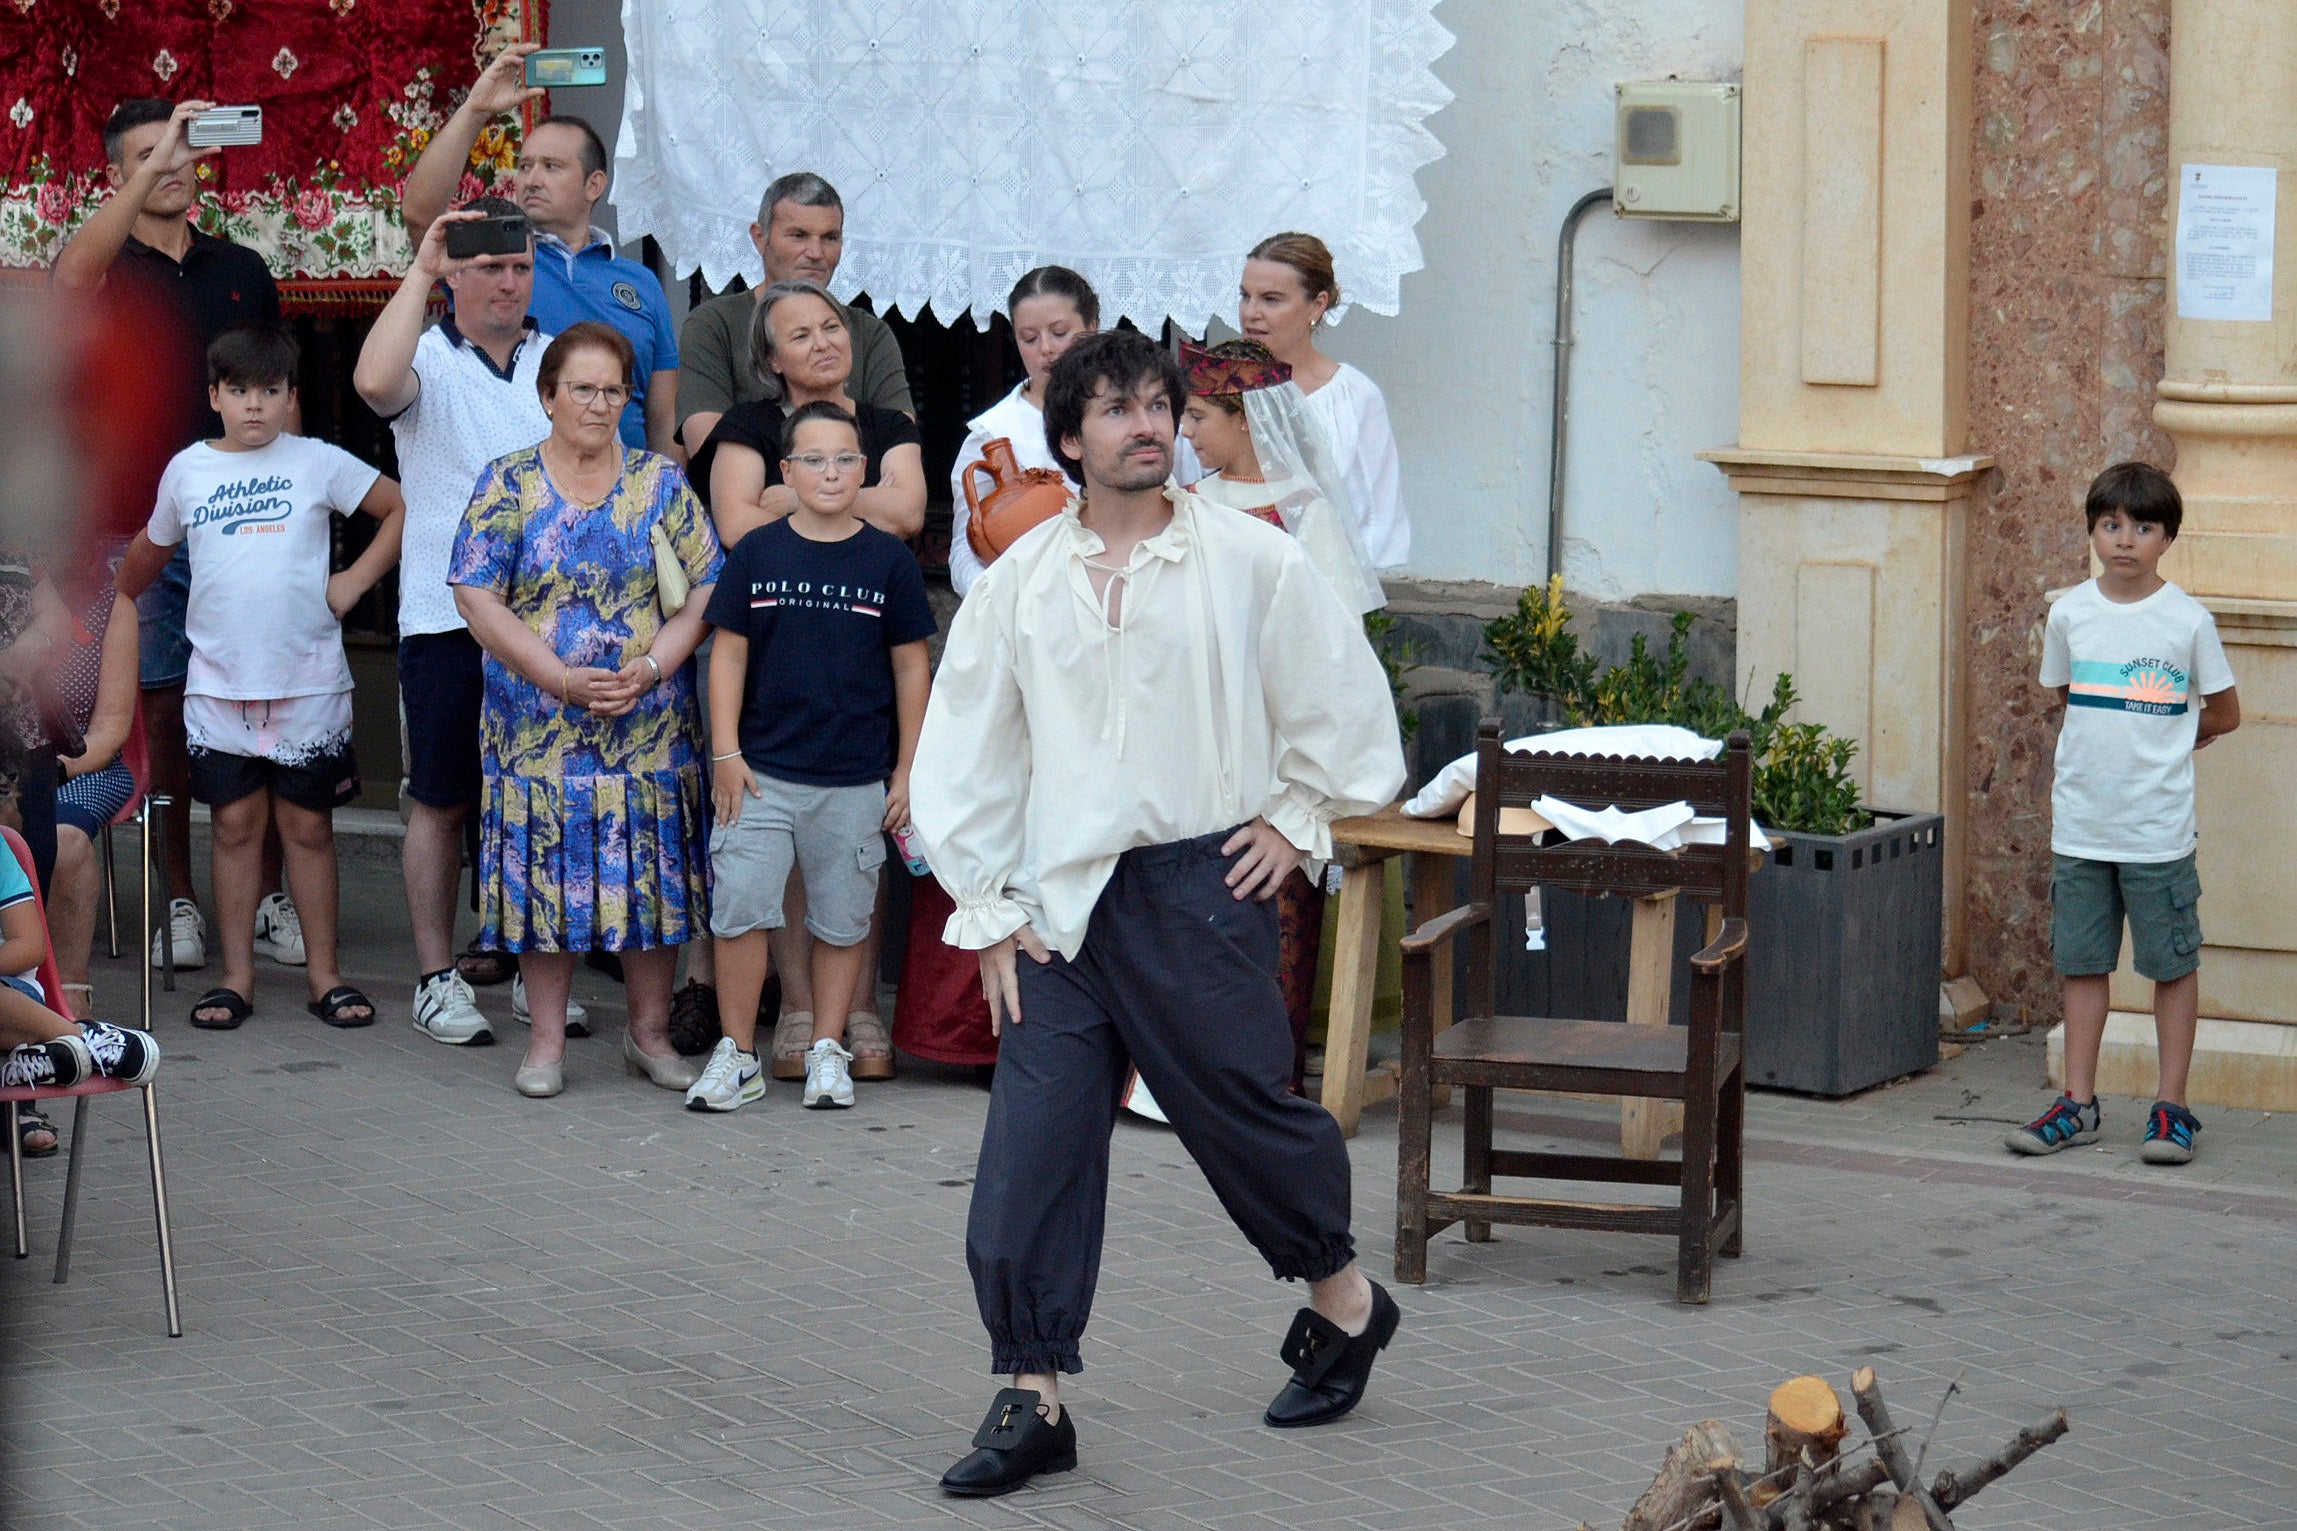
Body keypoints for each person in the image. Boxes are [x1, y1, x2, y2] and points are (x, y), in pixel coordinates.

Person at [912, 330, 1408, 1496]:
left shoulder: (1248, 561)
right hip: (1060, 907)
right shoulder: (1021, 582)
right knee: (1027, 1153)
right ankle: (1031, 1394)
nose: (1145, 423)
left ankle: (1344, 1300)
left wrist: (1297, 819)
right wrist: (984, 905)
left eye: (1158, 405)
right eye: (1116, 408)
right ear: (1068, 436)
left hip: (1197, 886)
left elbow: (1342, 704)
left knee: (1243, 1115)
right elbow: (969, 743)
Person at [448, 322, 721, 1099]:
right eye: (582, 388)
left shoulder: (660, 482)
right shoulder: (506, 483)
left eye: (614, 389)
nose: (599, 404)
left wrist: (653, 665)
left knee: (649, 879)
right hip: (534, 730)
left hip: (648, 723)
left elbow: (708, 583)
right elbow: (475, 594)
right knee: (543, 883)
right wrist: (558, 677)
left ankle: (650, 1034)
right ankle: (543, 1043)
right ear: (547, 396)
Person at [52, 98, 288, 974]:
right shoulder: (106, 268)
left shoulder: (241, 267)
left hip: (244, 524)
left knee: (258, 702)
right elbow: (69, 282)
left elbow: (278, 386)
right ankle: (177, 901)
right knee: (158, 710)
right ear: (119, 173)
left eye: (185, 150)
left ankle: (267, 898)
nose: (175, 164)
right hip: (135, 527)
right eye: (152, 155)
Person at [117, 325, 404, 1032]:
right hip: (218, 688)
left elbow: (399, 505)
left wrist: (354, 581)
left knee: (307, 829)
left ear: (290, 398)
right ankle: (236, 977)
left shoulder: (317, 461)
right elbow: (148, 552)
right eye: (239, 391)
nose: (254, 406)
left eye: (270, 392)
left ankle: (324, 976)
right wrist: (111, 604)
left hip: (308, 685)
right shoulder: (187, 471)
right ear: (213, 395)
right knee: (237, 825)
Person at [698, 280, 926, 1083]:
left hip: (855, 754)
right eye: (801, 333)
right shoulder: (751, 440)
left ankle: (836, 1028)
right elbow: (732, 527)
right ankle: (767, 1029)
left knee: (844, 895)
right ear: (769, 357)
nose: (824, 342)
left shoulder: (886, 467)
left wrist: (792, 492)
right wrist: (724, 749)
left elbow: (908, 516)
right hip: (766, 740)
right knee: (753, 892)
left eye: (833, 325)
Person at [355, 200, 561, 1048]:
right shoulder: (427, 358)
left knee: (537, 797)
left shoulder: (559, 360)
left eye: (519, 266)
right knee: (440, 800)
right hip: (445, 618)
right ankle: (437, 977)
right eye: (491, 268)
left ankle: (533, 974)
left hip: (551, 622)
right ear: (458, 278)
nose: (509, 282)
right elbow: (371, 384)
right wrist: (422, 267)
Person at [2008, 463, 2239, 1167]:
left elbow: (2224, 712)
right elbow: (2062, 697)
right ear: (2092, 530)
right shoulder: (2071, 612)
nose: (2124, 540)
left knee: (2170, 964)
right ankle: (2076, 1103)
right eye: (2110, 524)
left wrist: (2174, 733)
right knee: (2082, 963)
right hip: (2081, 827)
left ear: (2166, 535)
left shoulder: (2186, 622)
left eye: (2141, 526)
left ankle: (2170, 1109)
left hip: (2155, 832)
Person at [1175, 337, 1388, 1097]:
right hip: (1196, 730)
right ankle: (1173, 1079)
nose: (1186, 433)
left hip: (1272, 735)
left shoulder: (1303, 512)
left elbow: (1331, 650)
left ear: (1243, 415)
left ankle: (1260, 1077)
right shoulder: (1187, 505)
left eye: (1199, 415)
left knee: (1271, 903)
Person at [402, 47, 679, 457]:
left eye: (551, 167)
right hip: (520, 488)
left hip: (626, 495)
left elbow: (662, 427)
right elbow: (418, 212)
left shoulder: (641, 283)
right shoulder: (492, 262)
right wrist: (476, 109)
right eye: (525, 165)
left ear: (594, 185)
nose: (531, 179)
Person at [677, 172, 913, 457]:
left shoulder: (871, 334)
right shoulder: (714, 325)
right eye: (799, 235)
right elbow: (708, 451)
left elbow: (900, 452)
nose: (815, 252)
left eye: (829, 237)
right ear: (760, 238)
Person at [1238, 232, 1409, 570]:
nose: (1251, 313)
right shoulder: (1217, 388)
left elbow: (1376, 520)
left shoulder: (1353, 397)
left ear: (1317, 304)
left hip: (1325, 592)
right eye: (1245, 296)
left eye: (1271, 299)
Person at [946, 267, 1097, 600]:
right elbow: (965, 550)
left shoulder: (1132, 416)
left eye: (1060, 332)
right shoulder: (993, 433)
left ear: (1092, 328)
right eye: (1029, 338)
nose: (1046, 348)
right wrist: (1006, 601)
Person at [46, 548, 140, 1029]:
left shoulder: (113, 605)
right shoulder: (10, 597)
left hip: (85, 766)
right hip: (10, 764)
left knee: (63, 842)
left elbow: (110, 729)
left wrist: (48, 767)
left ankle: (68, 999)